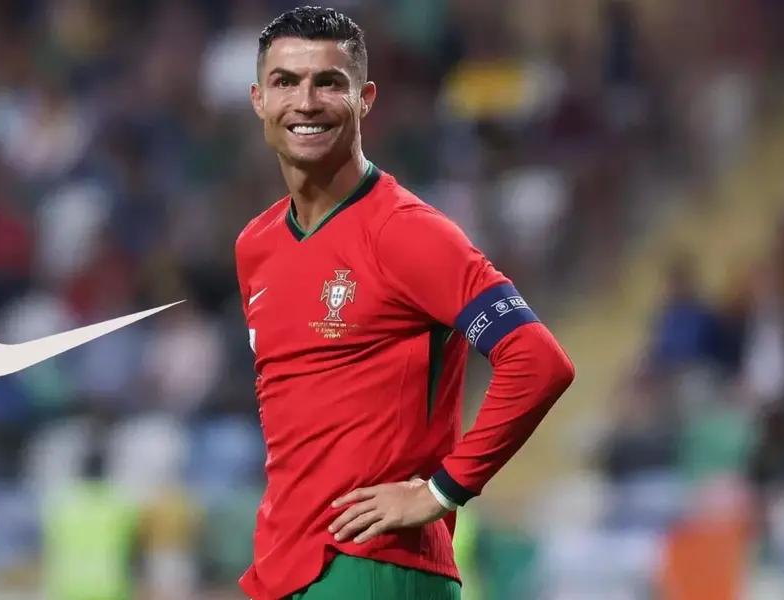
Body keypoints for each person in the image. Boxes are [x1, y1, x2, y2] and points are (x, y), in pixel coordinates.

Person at [234, 7, 576, 599]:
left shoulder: (406, 232)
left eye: (329, 82)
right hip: (286, 566)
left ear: (365, 98)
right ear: (259, 100)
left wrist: (440, 492)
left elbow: (537, 360)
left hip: (376, 567)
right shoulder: (256, 246)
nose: (306, 101)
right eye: (287, 82)